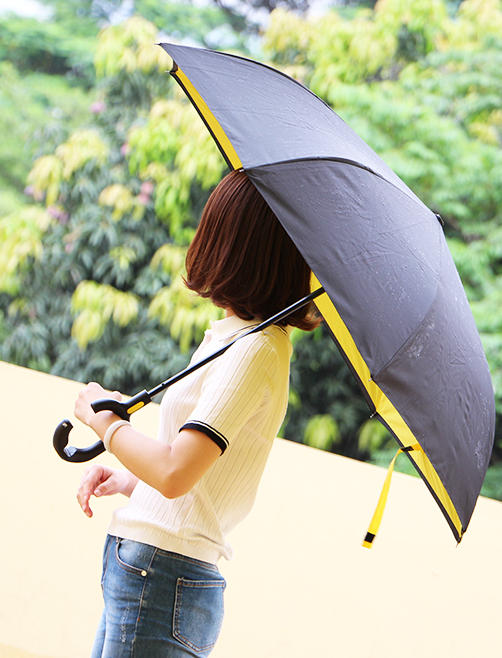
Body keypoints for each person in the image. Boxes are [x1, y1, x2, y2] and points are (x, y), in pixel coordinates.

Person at [73, 168, 319, 658]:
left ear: (236, 247)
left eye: (215, 226)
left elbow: (175, 472)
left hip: (161, 573)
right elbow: (192, 477)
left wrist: (108, 425)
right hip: (151, 568)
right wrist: (129, 482)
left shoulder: (256, 350)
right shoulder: (234, 337)